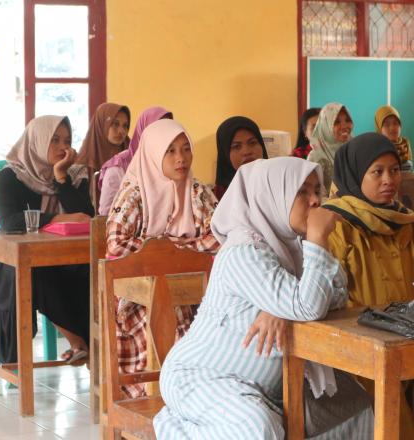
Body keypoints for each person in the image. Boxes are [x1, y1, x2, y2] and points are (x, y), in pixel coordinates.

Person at [154, 157, 373, 439]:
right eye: (302, 192)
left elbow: (337, 295)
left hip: (267, 389)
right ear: (272, 196)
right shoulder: (244, 251)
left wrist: (281, 308)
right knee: (255, 428)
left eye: (317, 190)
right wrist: (317, 241)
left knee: (355, 408)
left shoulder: (292, 247)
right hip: (202, 378)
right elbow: (308, 305)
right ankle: (176, 426)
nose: (316, 200)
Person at [106, 118, 219, 397]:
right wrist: (174, 249)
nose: (181, 158)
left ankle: (203, 391)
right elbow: (116, 245)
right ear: (154, 154)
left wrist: (169, 248)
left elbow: (219, 236)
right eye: (170, 151)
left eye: (186, 149)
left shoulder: (197, 192)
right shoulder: (135, 194)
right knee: (168, 313)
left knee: (224, 319)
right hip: (139, 295)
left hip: (194, 288)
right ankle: (170, 392)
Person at [325, 132, 414, 439]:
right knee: (393, 415)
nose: (389, 179)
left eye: (395, 170)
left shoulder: (404, 221)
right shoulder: (338, 226)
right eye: (377, 172)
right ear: (355, 175)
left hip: (405, 337)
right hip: (359, 349)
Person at [0, 115, 94, 364]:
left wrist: (61, 178)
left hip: (67, 257)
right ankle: (79, 342)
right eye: (55, 140)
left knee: (95, 269)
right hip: (19, 260)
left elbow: (86, 216)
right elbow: (9, 221)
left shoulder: (74, 175)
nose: (63, 147)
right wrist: (59, 218)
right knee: (37, 268)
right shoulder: (11, 176)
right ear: (37, 141)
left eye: (68, 141)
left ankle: (98, 350)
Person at [98, 106, 172, 215]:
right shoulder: (118, 168)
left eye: (167, 130)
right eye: (157, 130)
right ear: (143, 131)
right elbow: (106, 214)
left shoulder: (172, 162)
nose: (163, 135)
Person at [76, 102, 131, 204]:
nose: (121, 131)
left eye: (125, 126)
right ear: (101, 124)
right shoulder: (82, 164)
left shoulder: (131, 155)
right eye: (115, 124)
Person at [214, 116, 267, 200]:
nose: (247, 152)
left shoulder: (278, 181)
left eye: (252, 143)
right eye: (236, 146)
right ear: (225, 154)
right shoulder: (218, 196)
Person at [307, 103, 353, 194]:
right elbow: (315, 193)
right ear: (325, 126)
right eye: (337, 122)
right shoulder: (316, 156)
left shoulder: (354, 149)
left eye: (347, 120)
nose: (344, 126)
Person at [375, 104, 412, 171]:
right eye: (387, 125)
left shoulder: (404, 143)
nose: (392, 128)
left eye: (395, 123)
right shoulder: (377, 146)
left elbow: (410, 168)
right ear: (379, 128)